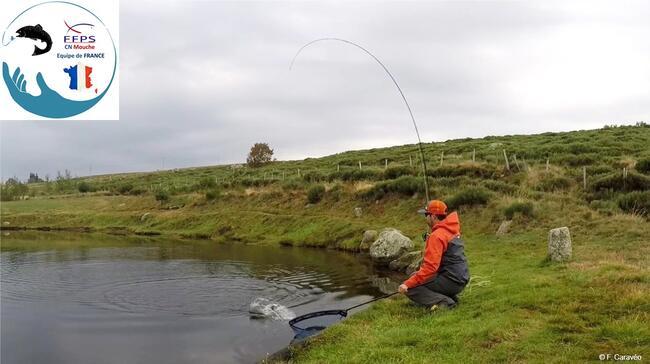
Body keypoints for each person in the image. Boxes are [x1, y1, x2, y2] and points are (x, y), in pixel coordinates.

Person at [398, 200, 470, 311]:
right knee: (415, 276)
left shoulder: (437, 236)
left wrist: (406, 284)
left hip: (452, 280)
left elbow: (430, 268)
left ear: (434, 217)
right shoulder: (451, 230)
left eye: (426, 215)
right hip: (461, 278)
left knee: (411, 287)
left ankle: (444, 302)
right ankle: (451, 298)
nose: (425, 218)